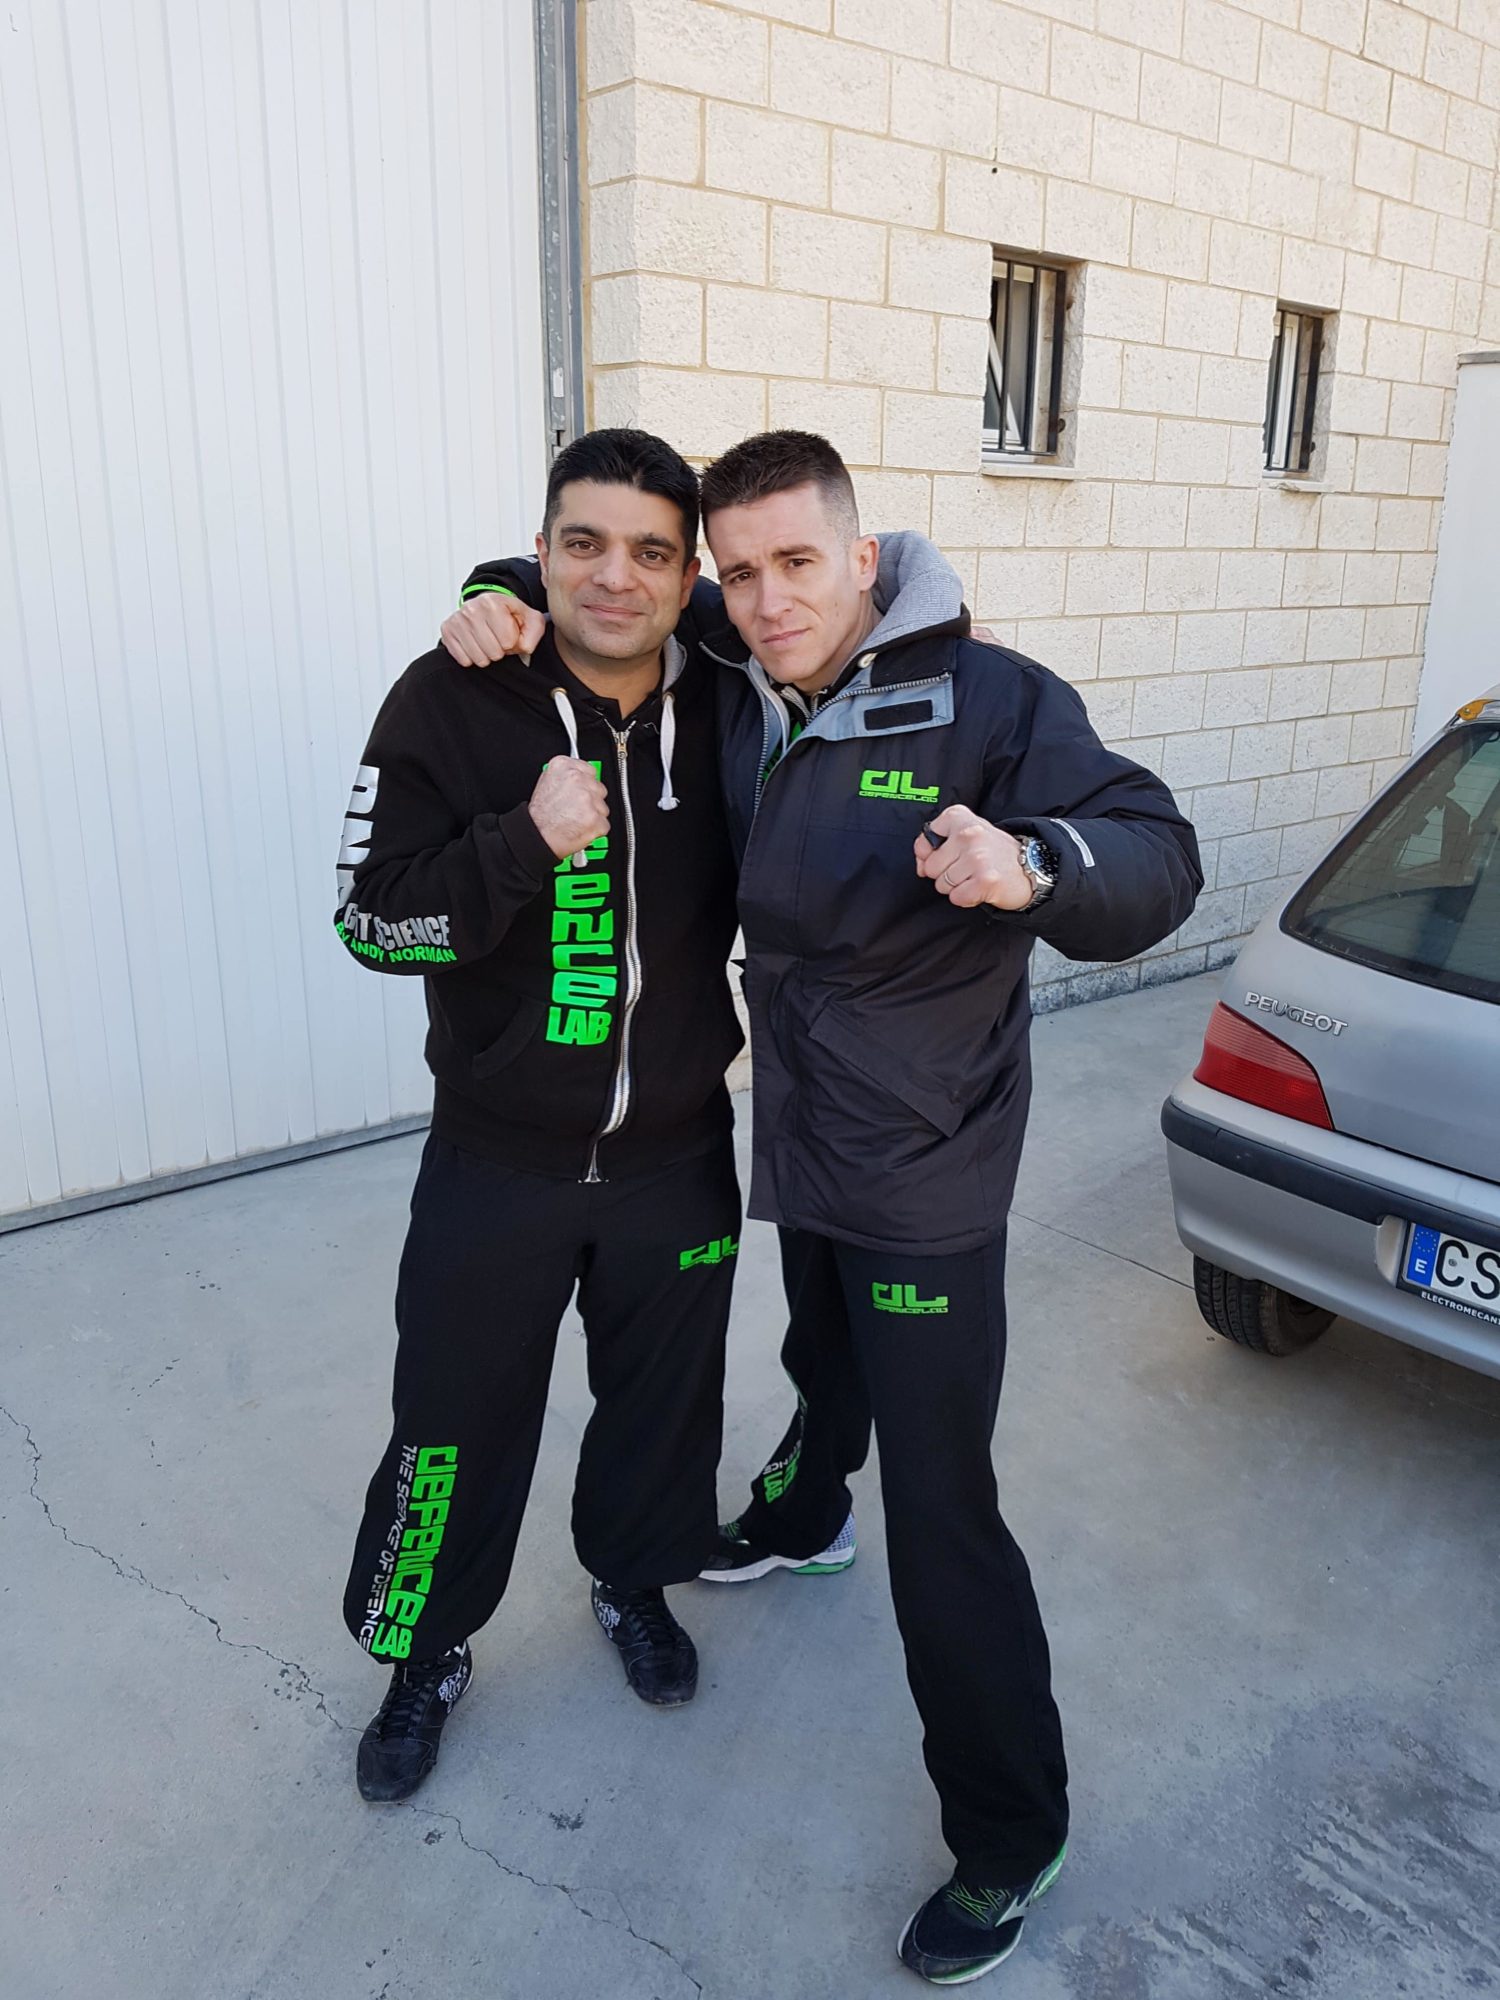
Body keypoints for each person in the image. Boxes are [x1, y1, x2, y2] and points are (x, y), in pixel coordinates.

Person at [440, 429, 1201, 1986]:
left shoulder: (989, 700)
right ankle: (802, 1512)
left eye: (798, 563)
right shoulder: (737, 660)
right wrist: (495, 590)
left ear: (864, 557)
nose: (767, 599)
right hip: (801, 1132)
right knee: (822, 1352)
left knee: (944, 1502)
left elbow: (1159, 852)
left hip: (928, 1163)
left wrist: (1035, 862)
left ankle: (1011, 1832)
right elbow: (609, 583)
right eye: (740, 572)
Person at [333, 429, 753, 1805]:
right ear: (542, 550)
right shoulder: (451, 696)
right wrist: (521, 844)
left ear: (688, 574)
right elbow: (371, 919)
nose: (614, 577)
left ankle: (633, 1581)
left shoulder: (738, 697)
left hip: (676, 1151)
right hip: (496, 1157)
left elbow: (849, 613)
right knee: (451, 1418)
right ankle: (426, 1649)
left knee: (664, 1408)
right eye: (584, 544)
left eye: (650, 551)